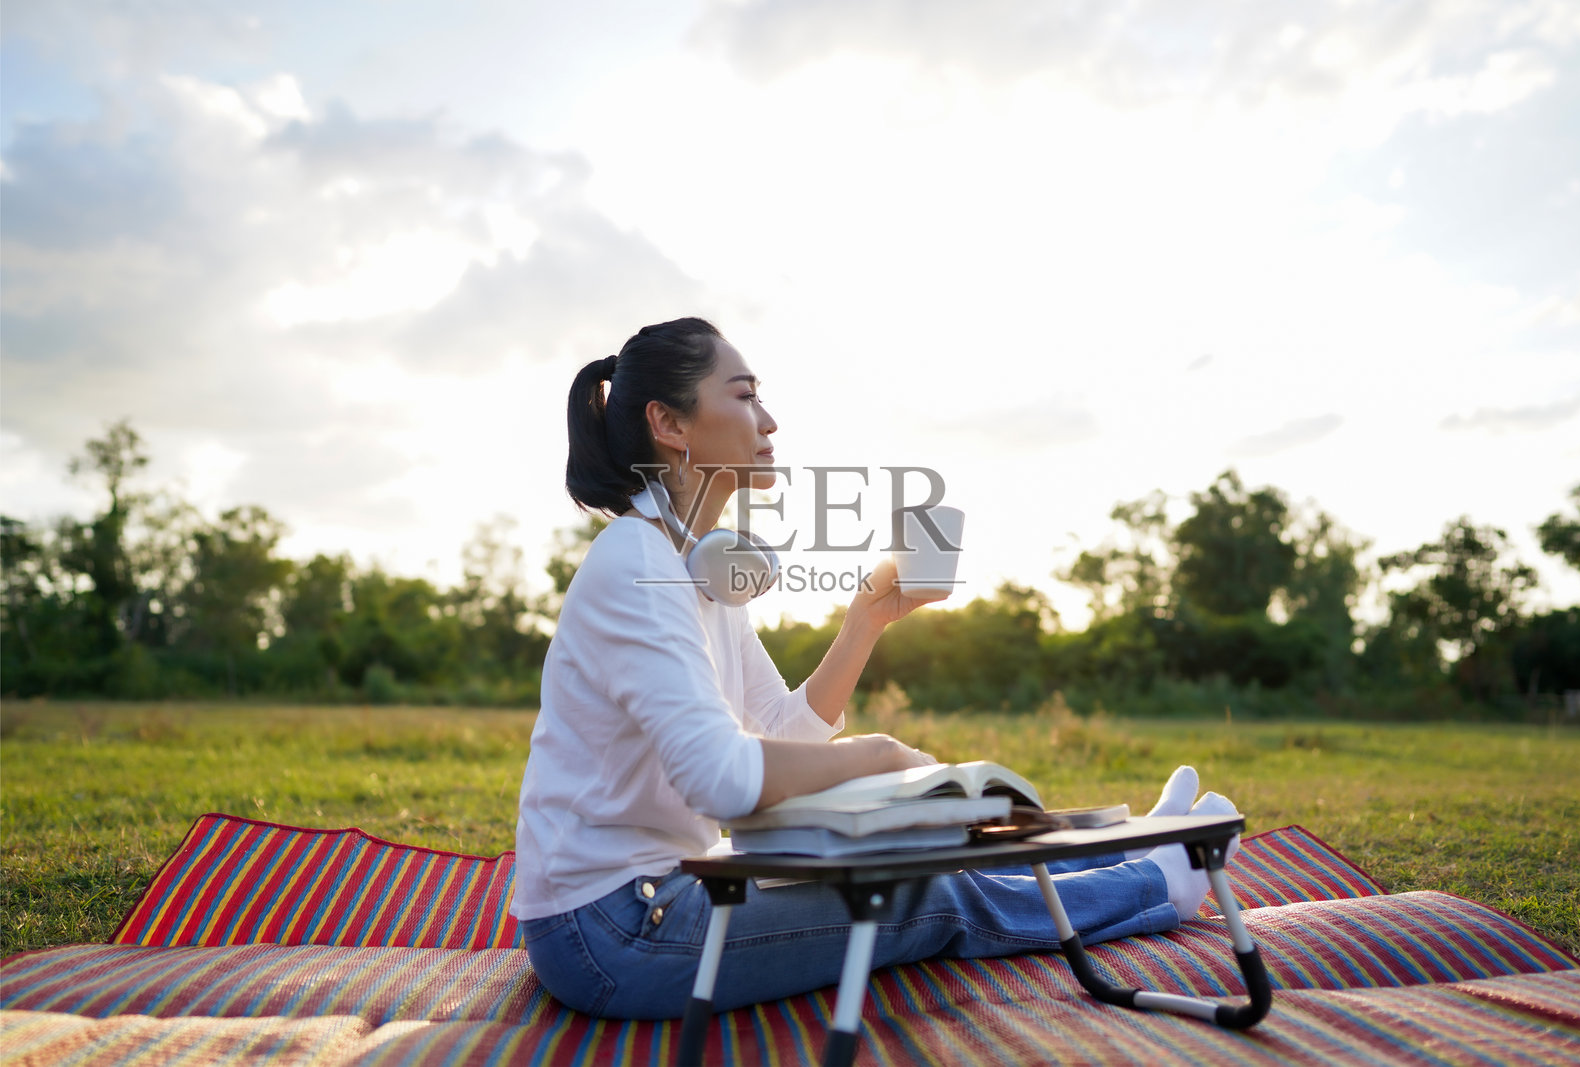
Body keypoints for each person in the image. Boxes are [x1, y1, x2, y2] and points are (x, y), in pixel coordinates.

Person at [510, 317, 1238, 1019]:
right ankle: (1160, 885)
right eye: (743, 393)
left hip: (659, 896)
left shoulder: (702, 567)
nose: (768, 420)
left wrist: (865, 620)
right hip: (613, 931)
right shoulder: (640, 563)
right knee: (924, 894)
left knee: (927, 857)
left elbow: (777, 728)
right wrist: (879, 754)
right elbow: (724, 778)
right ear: (669, 424)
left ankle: (1147, 843)